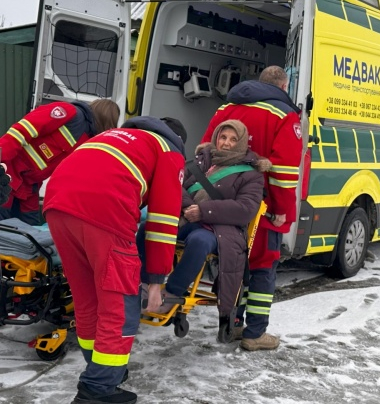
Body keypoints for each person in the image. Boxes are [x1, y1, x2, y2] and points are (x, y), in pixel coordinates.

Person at [43, 116, 187, 404]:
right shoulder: (169, 150)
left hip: (57, 205)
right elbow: (162, 221)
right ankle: (98, 389)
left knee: (88, 301)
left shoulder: (115, 136)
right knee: (120, 307)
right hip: (105, 211)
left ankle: (105, 370)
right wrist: (157, 280)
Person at [139, 119, 270, 342]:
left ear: (241, 143)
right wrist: (188, 208)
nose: (226, 143)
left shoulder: (251, 174)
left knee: (199, 242)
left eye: (232, 139)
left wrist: (203, 211)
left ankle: (172, 293)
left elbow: (245, 209)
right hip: (186, 217)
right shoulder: (202, 160)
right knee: (148, 228)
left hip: (220, 229)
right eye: (222, 137)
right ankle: (143, 285)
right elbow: (174, 184)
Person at [202, 65, 302, 352]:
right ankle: (255, 332)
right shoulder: (285, 114)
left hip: (222, 201)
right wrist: (281, 208)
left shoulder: (226, 109)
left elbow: (206, 151)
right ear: (283, 87)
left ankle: (234, 324)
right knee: (262, 266)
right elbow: (283, 170)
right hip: (262, 204)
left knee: (235, 263)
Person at [0, 99, 120, 224]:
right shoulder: (69, 113)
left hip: (29, 185)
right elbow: (22, 130)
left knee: (31, 231)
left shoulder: (89, 139)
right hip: (10, 171)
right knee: (4, 224)